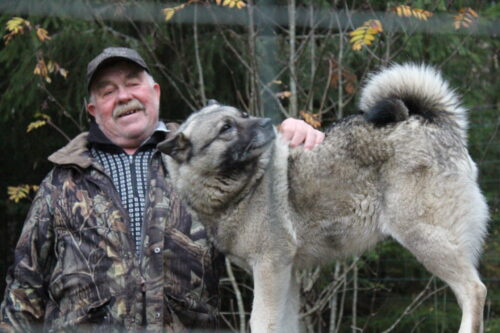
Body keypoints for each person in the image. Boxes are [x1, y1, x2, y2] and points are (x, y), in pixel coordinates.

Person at [0, 47, 324, 332]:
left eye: (132, 83)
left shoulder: (208, 157)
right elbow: (24, 290)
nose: (123, 96)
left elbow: (278, 205)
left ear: (155, 92)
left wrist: (291, 133)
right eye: (107, 90)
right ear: (93, 111)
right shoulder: (61, 181)